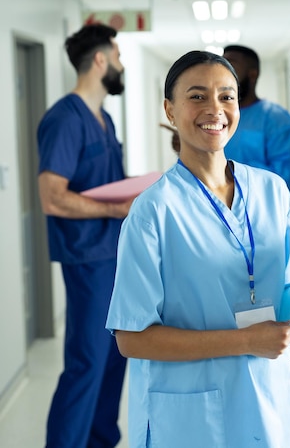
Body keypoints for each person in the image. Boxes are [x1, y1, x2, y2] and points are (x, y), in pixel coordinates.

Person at [106, 50, 290, 448]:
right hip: (193, 413)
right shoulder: (152, 213)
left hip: (270, 394)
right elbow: (132, 338)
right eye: (197, 96)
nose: (215, 109)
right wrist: (246, 341)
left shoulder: (271, 191)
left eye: (226, 96)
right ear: (170, 110)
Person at [37, 23, 134, 448]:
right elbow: (52, 198)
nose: (121, 64)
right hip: (87, 259)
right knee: (87, 362)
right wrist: (115, 208)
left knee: (115, 358)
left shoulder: (105, 119)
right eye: (117, 55)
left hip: (114, 255)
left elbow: (109, 184)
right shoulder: (64, 119)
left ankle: (99, 441)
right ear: (100, 60)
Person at [223, 44, 290, 197]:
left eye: (231, 65)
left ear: (252, 74)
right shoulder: (216, 117)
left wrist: (233, 171)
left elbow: (289, 182)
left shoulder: (277, 120)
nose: (222, 72)